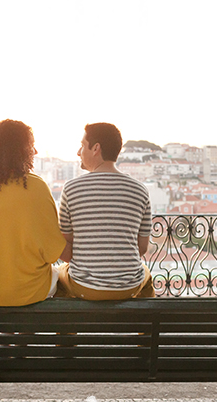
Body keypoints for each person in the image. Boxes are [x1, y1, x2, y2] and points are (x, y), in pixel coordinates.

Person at [0, 119, 66, 306]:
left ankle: (8, 333)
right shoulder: (36, 187)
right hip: (28, 290)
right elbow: (52, 253)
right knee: (61, 281)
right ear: (20, 151)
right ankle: (27, 334)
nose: (35, 152)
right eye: (31, 146)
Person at [55, 122, 155, 300]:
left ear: (96, 148)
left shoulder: (71, 189)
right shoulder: (140, 190)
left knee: (59, 276)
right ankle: (148, 327)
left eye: (82, 145)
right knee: (145, 276)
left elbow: (66, 249)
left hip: (84, 287)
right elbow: (142, 247)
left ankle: (67, 327)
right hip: (129, 287)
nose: (79, 152)